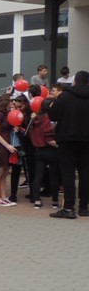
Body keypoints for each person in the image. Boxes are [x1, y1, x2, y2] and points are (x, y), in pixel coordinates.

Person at [47, 69, 89, 219]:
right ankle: (84, 207)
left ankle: (69, 208)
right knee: (85, 173)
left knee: (68, 173)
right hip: (87, 141)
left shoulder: (65, 96)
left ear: (75, 81)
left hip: (67, 140)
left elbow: (53, 115)